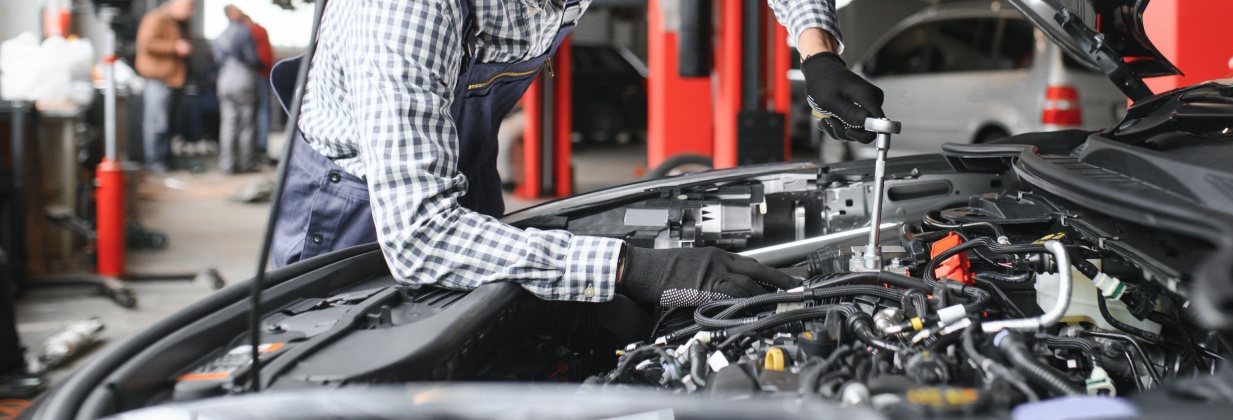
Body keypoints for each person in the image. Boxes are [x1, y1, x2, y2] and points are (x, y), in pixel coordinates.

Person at [275, 0, 884, 308]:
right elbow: (420, 235)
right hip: (352, 200)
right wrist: (633, 268)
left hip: (464, 163)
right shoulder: (405, 10)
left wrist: (816, 49)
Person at [134, 0, 194, 173]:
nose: (191, 12)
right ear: (175, 4)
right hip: (159, 79)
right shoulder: (155, 19)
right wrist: (175, 47)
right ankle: (155, 162)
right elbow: (147, 44)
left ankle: (165, 159)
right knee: (156, 124)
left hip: (175, 79)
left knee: (169, 124)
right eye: (188, 8)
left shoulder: (182, 22)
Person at [212, 5, 262, 173]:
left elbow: (217, 61)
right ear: (232, 14)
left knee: (228, 123)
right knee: (246, 123)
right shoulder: (244, 32)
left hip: (224, 79)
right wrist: (262, 64)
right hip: (242, 78)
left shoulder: (219, 36)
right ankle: (246, 163)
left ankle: (227, 165)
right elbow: (251, 58)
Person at [244, 14, 275, 160]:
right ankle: (260, 144)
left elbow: (260, 57)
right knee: (262, 109)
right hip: (263, 74)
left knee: (260, 110)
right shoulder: (259, 30)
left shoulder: (254, 31)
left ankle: (261, 145)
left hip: (260, 75)